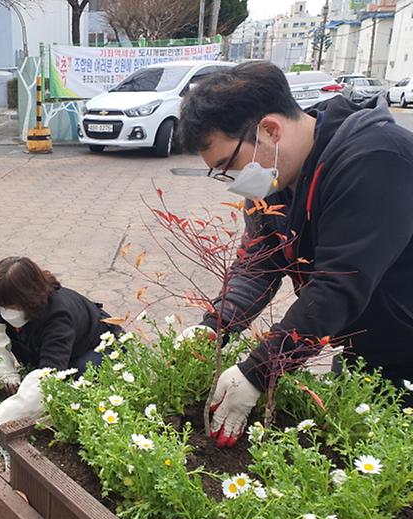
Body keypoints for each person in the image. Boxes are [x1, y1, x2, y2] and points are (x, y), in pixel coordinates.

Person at [175, 61, 413, 448]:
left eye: (228, 166)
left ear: (270, 130)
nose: (234, 182)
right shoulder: (276, 179)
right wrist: (214, 326)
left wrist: (257, 371)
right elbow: (257, 265)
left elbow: (338, 286)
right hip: (360, 348)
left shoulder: (375, 159)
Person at [0, 256, 122, 444]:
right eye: (2, 307)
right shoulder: (6, 298)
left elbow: (46, 377)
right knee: (29, 359)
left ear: (30, 299)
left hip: (97, 344)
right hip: (57, 343)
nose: (6, 312)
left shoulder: (59, 316)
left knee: (76, 378)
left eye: (11, 307)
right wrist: (6, 373)